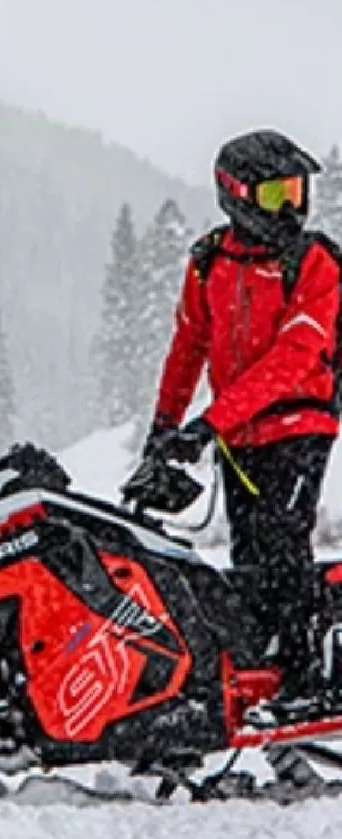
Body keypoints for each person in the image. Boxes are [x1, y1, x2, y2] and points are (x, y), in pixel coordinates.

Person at [140, 129, 341, 705]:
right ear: (237, 196)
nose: (294, 208)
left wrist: (208, 423)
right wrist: (163, 428)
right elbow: (188, 347)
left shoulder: (314, 262)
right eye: (279, 194)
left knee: (282, 548)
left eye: (298, 193)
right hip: (237, 436)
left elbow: (293, 358)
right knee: (246, 560)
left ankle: (310, 678)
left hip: (299, 426)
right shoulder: (209, 262)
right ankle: (261, 670)